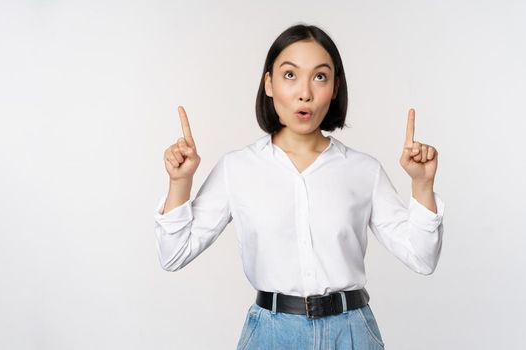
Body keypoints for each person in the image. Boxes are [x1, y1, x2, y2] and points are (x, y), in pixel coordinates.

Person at [155, 23, 445, 350]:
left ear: (335, 87)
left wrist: (422, 185)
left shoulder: (363, 170)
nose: (305, 92)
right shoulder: (237, 168)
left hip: (351, 334)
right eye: (290, 75)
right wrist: (180, 182)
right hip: (270, 335)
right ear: (269, 84)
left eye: (320, 76)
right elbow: (173, 255)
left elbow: (423, 259)